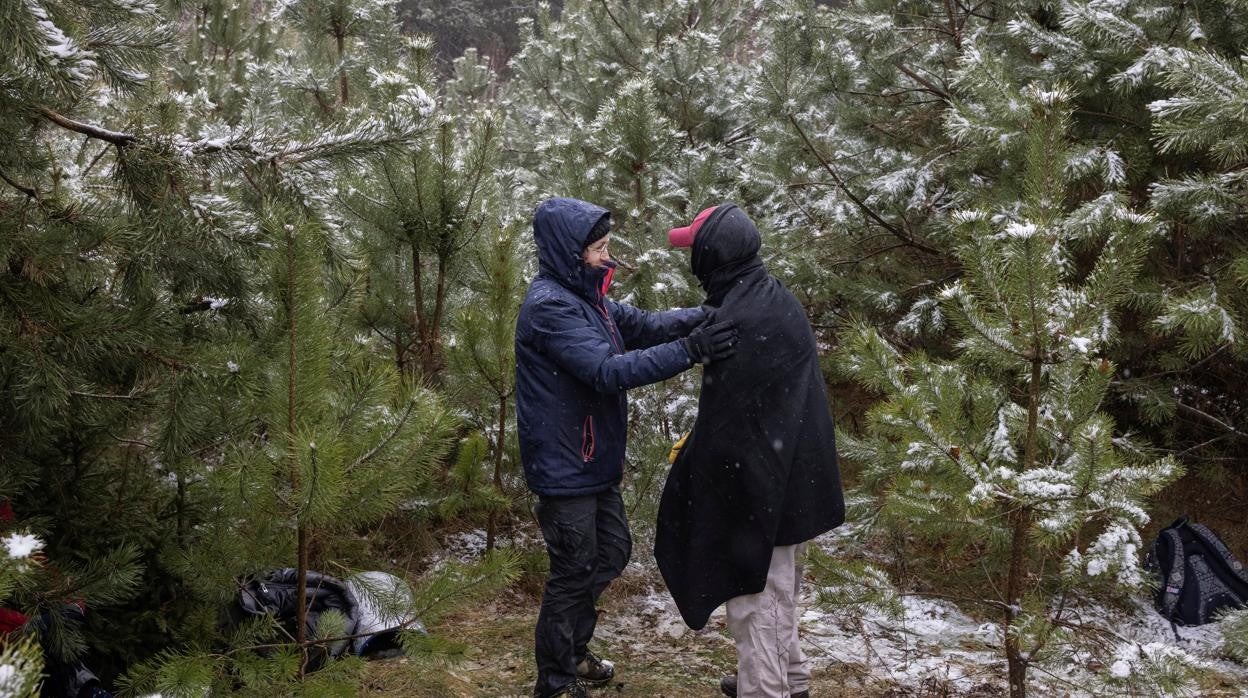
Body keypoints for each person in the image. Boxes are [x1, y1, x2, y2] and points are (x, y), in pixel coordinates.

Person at [515, 197, 739, 698]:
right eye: (598, 248)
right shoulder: (550, 307)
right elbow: (606, 370)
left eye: (606, 245)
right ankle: (554, 681)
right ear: (570, 252)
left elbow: (639, 325)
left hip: (590, 459)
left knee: (611, 552)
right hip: (564, 463)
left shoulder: (586, 297)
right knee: (573, 571)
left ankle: (571, 649)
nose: (606, 256)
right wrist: (691, 351)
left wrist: (701, 316)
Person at [655, 203, 845, 698]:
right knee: (777, 591)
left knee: (755, 595)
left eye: (693, 251)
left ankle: (765, 689)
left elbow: (737, 423)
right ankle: (790, 679)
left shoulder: (743, 316)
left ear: (711, 258)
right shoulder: (765, 294)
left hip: (767, 484)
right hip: (789, 473)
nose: (690, 261)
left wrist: (698, 463)